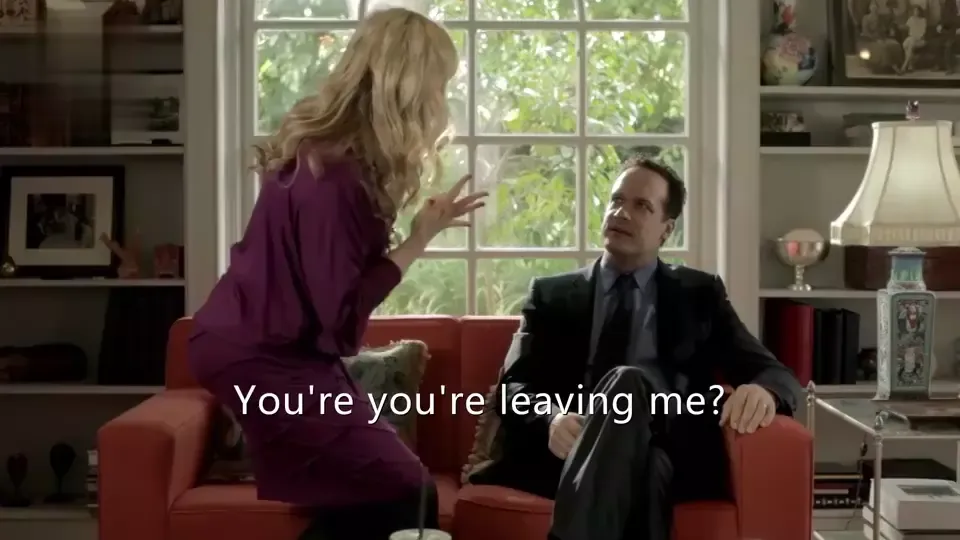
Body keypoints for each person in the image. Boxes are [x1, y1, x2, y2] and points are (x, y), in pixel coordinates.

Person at [186, 8, 486, 540]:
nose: (443, 97)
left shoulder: (337, 158)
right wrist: (418, 240)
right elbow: (340, 319)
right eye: (440, 81)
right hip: (261, 354)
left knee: (381, 490)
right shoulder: (333, 176)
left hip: (272, 348)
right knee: (404, 488)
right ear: (409, 85)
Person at [468, 156, 802, 540]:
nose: (621, 213)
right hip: (575, 452)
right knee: (649, 468)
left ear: (666, 230)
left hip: (672, 442)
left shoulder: (699, 295)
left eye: (641, 205)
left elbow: (776, 374)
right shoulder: (551, 295)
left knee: (629, 386)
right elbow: (513, 388)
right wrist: (552, 419)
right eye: (616, 200)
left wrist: (764, 390)